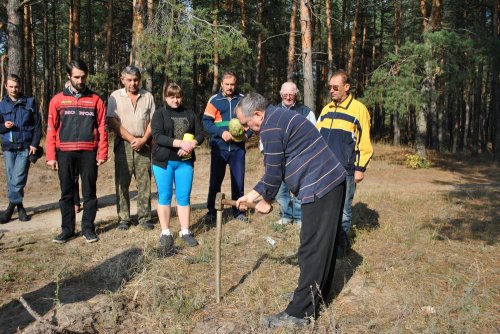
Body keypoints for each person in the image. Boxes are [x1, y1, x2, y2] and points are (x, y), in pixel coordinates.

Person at [235, 93, 346, 328]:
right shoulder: (278, 117)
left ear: (258, 114)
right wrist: (254, 197)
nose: (247, 130)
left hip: (321, 185)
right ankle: (313, 297)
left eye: (247, 124)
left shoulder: (271, 127)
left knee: (312, 248)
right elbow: (274, 172)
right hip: (329, 183)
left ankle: (299, 313)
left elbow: (273, 173)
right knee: (320, 247)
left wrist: (258, 200)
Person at [46, 59, 108, 243]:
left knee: (89, 193)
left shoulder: (95, 100)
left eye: (83, 77)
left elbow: (103, 128)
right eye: (76, 77)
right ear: (68, 76)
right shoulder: (57, 100)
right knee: (66, 193)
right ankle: (67, 230)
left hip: (89, 152)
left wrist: (102, 152)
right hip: (64, 152)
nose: (81, 81)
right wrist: (50, 156)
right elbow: (51, 129)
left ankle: (88, 228)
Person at [317, 69, 373, 257]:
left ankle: (341, 248)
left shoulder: (359, 109)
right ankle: (327, 243)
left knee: (344, 210)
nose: (331, 91)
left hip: (346, 170)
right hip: (324, 170)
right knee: (325, 207)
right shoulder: (326, 110)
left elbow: (364, 142)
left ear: (346, 87)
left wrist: (360, 168)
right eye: (329, 87)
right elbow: (317, 139)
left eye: (335, 87)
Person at [151, 83, 204, 253]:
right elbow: (158, 136)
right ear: (166, 97)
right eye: (172, 96)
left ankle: (185, 231)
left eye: (178, 96)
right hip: (163, 162)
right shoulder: (159, 114)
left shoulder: (189, 113)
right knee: (165, 196)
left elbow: (201, 133)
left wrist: (192, 144)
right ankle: (165, 232)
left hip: (185, 163)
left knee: (183, 197)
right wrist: (181, 143)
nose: (175, 100)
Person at [107, 66, 156, 230]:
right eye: (129, 80)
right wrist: (131, 138)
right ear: (122, 80)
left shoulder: (147, 96)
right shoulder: (115, 96)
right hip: (123, 144)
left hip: (144, 143)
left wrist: (143, 140)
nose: (133, 83)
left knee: (144, 182)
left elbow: (152, 121)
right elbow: (113, 122)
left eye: (136, 80)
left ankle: (144, 217)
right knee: (122, 181)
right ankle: (123, 219)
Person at [202, 71, 249, 224]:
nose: (230, 87)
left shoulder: (242, 100)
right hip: (219, 148)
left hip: (238, 149)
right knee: (215, 181)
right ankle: (212, 211)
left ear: (236, 84)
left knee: (238, 181)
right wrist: (221, 132)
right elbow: (206, 122)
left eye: (232, 84)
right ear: (221, 83)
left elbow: (250, 121)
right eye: (227, 84)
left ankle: (238, 211)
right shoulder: (214, 100)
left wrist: (246, 135)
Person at [0, 74, 41, 223]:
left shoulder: (30, 102)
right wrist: (3, 126)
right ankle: (20, 207)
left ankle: (10, 208)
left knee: (18, 178)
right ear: (6, 87)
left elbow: (37, 126)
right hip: (8, 147)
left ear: (20, 87)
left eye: (16, 86)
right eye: (10, 86)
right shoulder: (1, 105)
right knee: (12, 179)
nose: (13, 89)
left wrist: (34, 144)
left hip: (25, 146)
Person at [273, 82, 316, 226]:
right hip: (279, 157)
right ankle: (285, 215)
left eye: (291, 94)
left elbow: (315, 134)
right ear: (281, 94)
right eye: (285, 94)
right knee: (281, 189)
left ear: (296, 94)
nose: (288, 97)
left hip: (300, 157)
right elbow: (265, 133)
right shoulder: (273, 111)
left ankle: (298, 217)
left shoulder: (306, 112)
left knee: (298, 188)